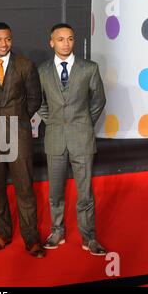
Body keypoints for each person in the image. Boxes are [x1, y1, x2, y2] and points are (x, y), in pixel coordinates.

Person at [0, 22, 45, 258]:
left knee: (24, 190)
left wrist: (18, 120)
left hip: (18, 137)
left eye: (8, 39)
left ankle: (31, 239)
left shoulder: (25, 65)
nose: (4, 44)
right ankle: (3, 234)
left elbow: (34, 100)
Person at [37, 23, 107, 256]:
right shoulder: (43, 71)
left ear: (74, 41)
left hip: (82, 139)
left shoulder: (89, 68)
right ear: (51, 42)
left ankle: (90, 237)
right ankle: (57, 230)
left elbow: (98, 101)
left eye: (70, 39)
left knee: (85, 193)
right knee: (55, 191)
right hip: (55, 138)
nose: (65, 43)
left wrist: (84, 123)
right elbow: (40, 103)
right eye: (60, 39)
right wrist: (54, 122)